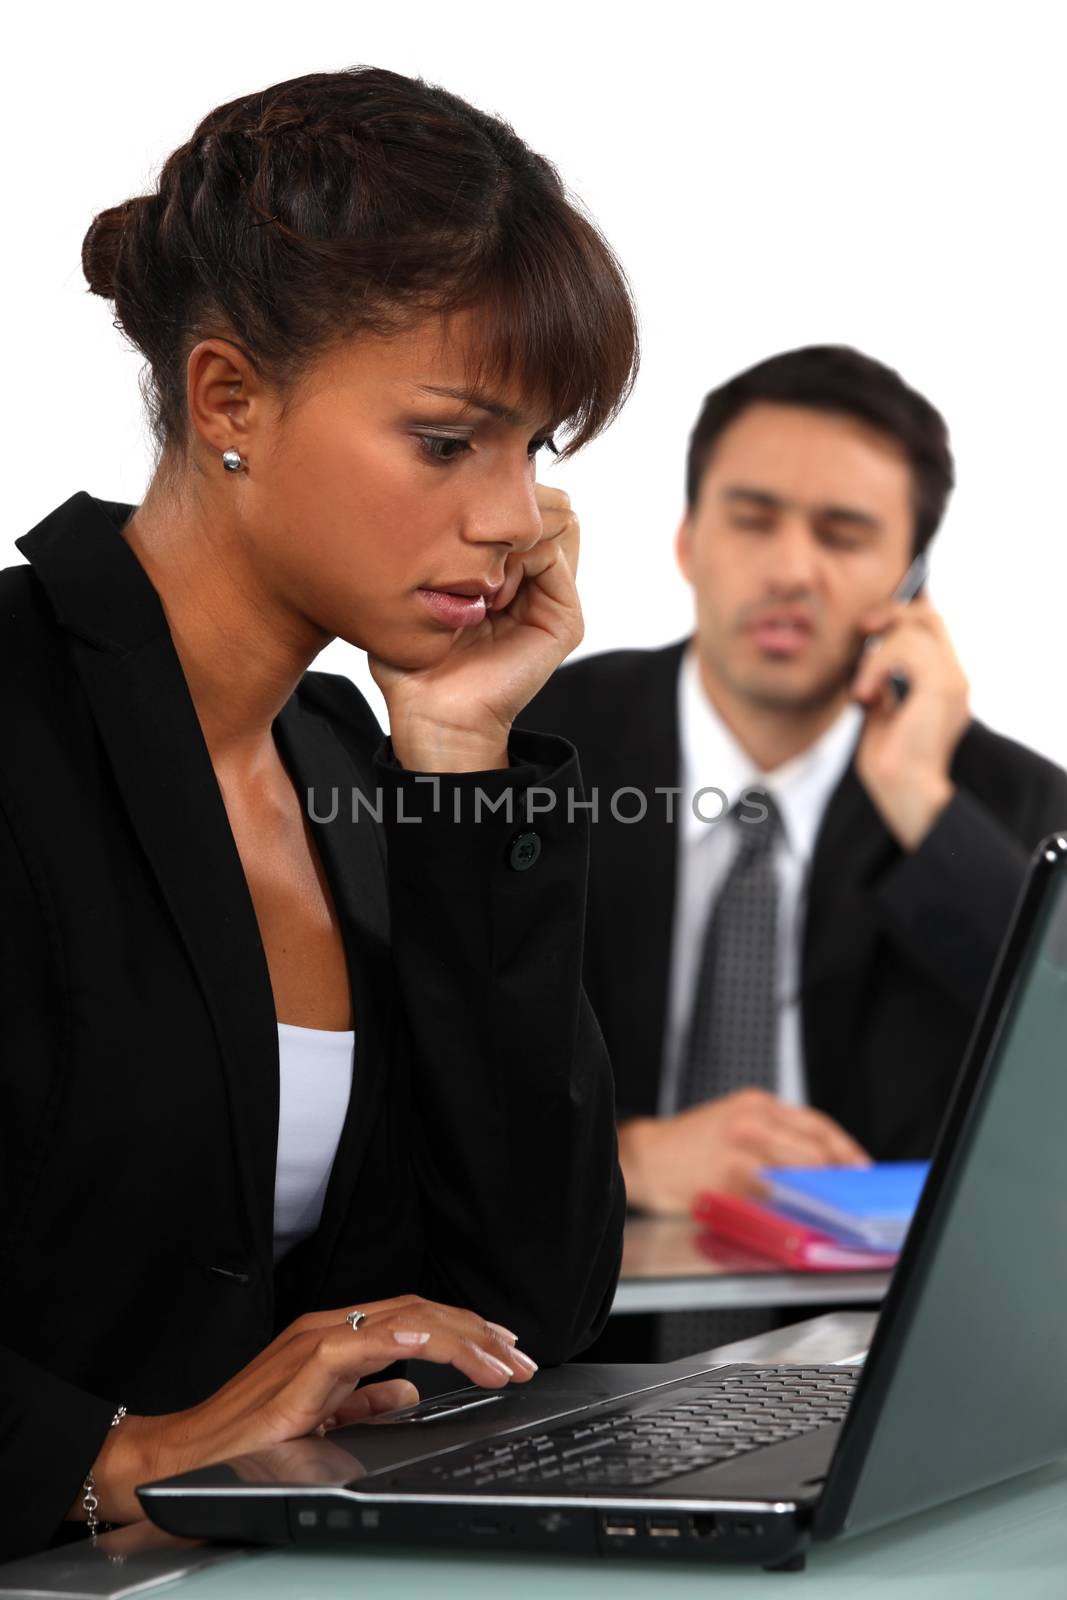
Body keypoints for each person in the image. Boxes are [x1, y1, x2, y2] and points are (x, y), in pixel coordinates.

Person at [0, 67, 638, 1562]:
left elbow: (530, 1307)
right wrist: (108, 1456)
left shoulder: (352, 766)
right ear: (229, 396)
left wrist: (462, 758)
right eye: (445, 440)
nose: (510, 518)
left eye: (530, 448)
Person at [522, 346, 1067, 1229]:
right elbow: (419, 1072)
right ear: (688, 541)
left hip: (867, 1339)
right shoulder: (537, 749)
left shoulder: (1006, 806)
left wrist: (924, 807)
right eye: (752, 520)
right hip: (567, 1335)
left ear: (911, 582)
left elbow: (1055, 1061)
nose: (790, 571)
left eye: (842, 536)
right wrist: (629, 1154)